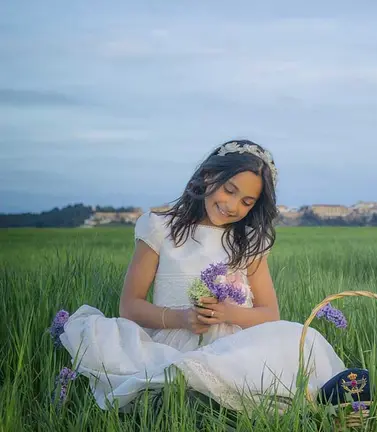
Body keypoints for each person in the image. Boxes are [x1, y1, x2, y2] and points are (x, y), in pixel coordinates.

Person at [58, 139, 346, 412]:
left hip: (239, 342)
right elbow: (130, 306)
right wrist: (183, 317)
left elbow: (270, 313)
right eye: (229, 190)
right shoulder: (161, 228)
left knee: (301, 337)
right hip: (176, 336)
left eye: (246, 202)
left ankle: (340, 400)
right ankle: (193, 398)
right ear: (209, 176)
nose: (233, 206)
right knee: (182, 373)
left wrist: (226, 314)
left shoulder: (247, 240)